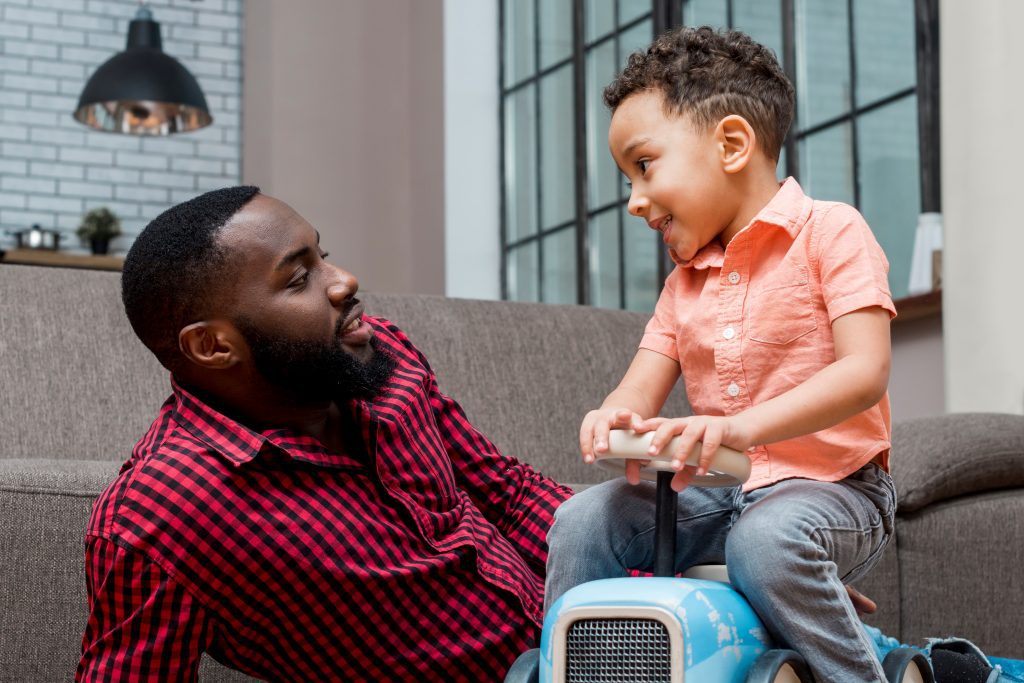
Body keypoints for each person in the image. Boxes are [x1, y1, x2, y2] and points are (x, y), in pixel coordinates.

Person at [76, 186, 573, 682]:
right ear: (211, 345)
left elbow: (508, 495)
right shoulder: (159, 513)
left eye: (324, 256)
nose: (344, 281)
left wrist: (628, 583)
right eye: (298, 279)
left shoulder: (377, 356)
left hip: (591, 641)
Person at [545, 26, 898, 682]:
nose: (633, 201)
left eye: (643, 166)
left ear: (732, 144)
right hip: (733, 494)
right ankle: (583, 668)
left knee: (764, 543)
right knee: (583, 518)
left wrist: (738, 427)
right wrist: (616, 419)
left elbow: (864, 370)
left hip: (840, 489)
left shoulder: (833, 232)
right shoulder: (684, 286)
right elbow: (638, 390)